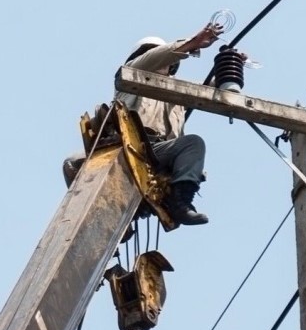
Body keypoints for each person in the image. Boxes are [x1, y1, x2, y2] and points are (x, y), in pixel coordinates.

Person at [63, 22, 227, 225]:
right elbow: (158, 56)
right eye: (151, 53)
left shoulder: (178, 92)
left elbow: (212, 91)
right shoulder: (131, 73)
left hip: (159, 154)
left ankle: (180, 203)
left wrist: (230, 65)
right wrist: (193, 43)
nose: (158, 58)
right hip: (127, 145)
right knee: (73, 162)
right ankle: (97, 218)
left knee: (193, 144)